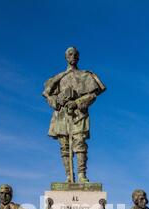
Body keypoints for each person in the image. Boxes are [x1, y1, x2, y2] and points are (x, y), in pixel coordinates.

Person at [43, 47, 106, 183]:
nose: (73, 56)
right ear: (66, 57)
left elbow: (93, 95)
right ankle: (69, 177)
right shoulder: (58, 78)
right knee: (65, 147)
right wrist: (56, 100)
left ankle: (82, 175)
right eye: (70, 54)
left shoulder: (85, 75)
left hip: (78, 114)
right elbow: (48, 96)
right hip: (61, 115)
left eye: (76, 54)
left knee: (80, 143)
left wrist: (77, 102)